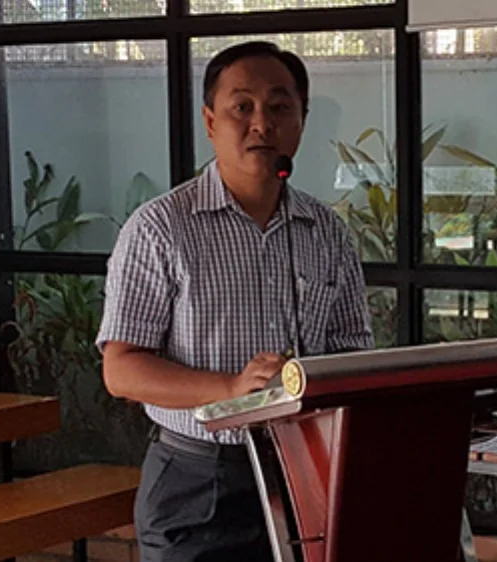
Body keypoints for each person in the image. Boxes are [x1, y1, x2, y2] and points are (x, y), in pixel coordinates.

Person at [95, 41, 374, 561]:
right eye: (242, 107)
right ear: (210, 121)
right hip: (198, 482)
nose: (262, 124)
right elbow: (122, 370)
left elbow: (352, 357)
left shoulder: (326, 232)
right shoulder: (160, 228)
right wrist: (229, 389)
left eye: (280, 107)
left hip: (305, 473)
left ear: (302, 121)